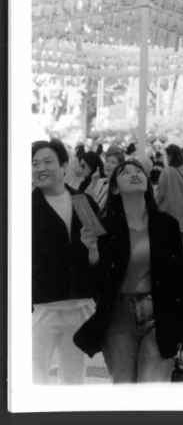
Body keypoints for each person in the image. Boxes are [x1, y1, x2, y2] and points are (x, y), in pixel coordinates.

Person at [73, 158, 183, 383]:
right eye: (125, 172)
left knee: (152, 390)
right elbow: (97, 286)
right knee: (124, 387)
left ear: (147, 183)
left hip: (159, 314)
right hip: (118, 316)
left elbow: (179, 280)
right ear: (115, 187)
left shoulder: (167, 226)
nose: (134, 173)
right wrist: (92, 254)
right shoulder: (105, 228)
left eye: (138, 171)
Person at [31, 139, 98, 384]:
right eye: (35, 163)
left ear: (63, 166)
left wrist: (93, 252)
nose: (40, 168)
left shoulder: (84, 203)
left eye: (48, 162)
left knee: (73, 380)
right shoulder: (25, 207)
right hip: (41, 309)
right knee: (33, 379)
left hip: (80, 307)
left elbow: (98, 256)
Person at [155, 144, 183, 251]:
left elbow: (160, 194)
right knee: (182, 249)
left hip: (170, 215)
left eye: (166, 156)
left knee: (170, 248)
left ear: (171, 156)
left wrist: (154, 207)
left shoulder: (166, 171)